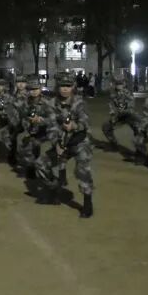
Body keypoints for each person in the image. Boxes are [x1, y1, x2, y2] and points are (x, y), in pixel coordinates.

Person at [35, 73, 94, 217]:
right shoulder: (51, 103)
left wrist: (74, 125)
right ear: (57, 87)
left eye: (68, 86)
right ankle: (55, 188)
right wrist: (57, 144)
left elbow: (85, 123)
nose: (65, 89)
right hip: (61, 141)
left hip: (79, 141)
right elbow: (51, 126)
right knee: (40, 164)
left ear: (73, 87)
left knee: (82, 170)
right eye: (62, 86)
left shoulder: (79, 102)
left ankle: (87, 202)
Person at [15, 76, 52, 178]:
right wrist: (27, 124)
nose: (34, 91)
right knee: (22, 141)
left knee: (38, 146)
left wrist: (41, 120)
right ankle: (28, 168)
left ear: (40, 89)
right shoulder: (25, 102)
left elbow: (54, 119)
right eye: (31, 89)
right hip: (31, 131)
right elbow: (22, 116)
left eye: (36, 89)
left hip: (45, 132)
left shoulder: (47, 102)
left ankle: (41, 170)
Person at [102, 74, 139, 151]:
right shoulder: (113, 94)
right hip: (118, 116)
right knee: (106, 126)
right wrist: (113, 115)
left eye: (120, 83)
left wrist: (125, 112)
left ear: (124, 84)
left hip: (128, 115)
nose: (119, 85)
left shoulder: (128, 93)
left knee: (138, 128)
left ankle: (140, 148)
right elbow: (111, 105)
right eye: (117, 83)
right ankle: (114, 144)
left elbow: (131, 106)